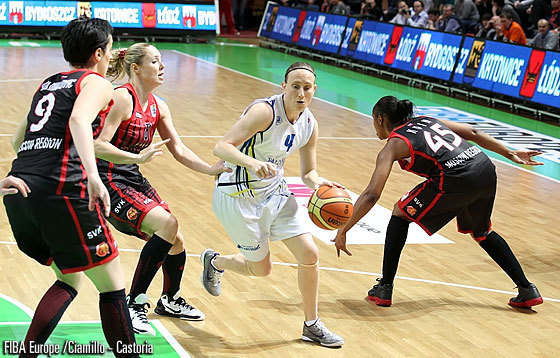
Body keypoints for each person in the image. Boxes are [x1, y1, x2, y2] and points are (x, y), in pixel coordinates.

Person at [4, 17, 139, 356]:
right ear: (99, 53)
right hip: (62, 191)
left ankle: (27, 353)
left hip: (20, 190)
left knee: (69, 279)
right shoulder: (97, 82)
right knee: (112, 285)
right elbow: (79, 119)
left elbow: (19, 139)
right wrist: (93, 176)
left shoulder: (48, 83)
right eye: (108, 49)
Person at [333, 96, 544, 310]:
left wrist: (344, 230)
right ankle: (527, 289)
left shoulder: (394, 145)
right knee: (482, 232)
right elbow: (473, 133)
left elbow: (372, 194)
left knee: (400, 213)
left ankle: (385, 287)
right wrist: (510, 153)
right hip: (484, 168)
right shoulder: (427, 120)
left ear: (380, 119)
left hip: (455, 177)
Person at [200, 62, 344, 347]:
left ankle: (311, 324)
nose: (301, 93)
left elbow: (308, 173)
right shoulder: (264, 112)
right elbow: (222, 147)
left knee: (310, 254)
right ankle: (215, 261)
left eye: (307, 87)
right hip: (236, 195)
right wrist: (252, 163)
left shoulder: (310, 124)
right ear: (284, 87)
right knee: (261, 270)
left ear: (314, 90)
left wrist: (321, 185)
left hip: (275, 192)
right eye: (295, 86)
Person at [95, 43, 229, 336]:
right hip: (106, 179)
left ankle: (169, 300)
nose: (162, 66)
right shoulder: (121, 98)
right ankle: (133, 304)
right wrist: (135, 158)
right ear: (135, 68)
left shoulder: (159, 106)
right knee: (167, 224)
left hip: (131, 175)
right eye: (155, 61)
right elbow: (98, 145)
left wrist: (210, 169)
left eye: (161, 61)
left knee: (175, 239)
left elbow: (178, 149)